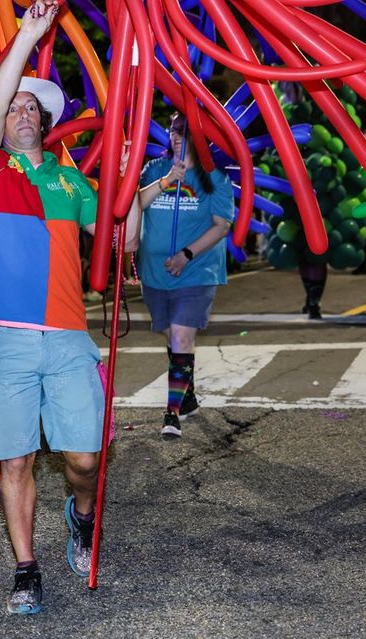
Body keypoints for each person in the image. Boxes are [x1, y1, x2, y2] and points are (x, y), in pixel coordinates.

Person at [0, 0, 139, 614]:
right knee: (13, 462)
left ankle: (81, 516)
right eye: (11, 105)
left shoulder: (72, 184)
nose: (16, 112)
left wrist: (127, 179)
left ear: (43, 121)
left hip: (68, 337)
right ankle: (25, 568)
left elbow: (125, 236)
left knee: (85, 459)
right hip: (8, 341)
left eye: (27, 107)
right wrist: (29, 35)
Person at [136, 112, 234, 438]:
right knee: (172, 336)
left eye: (184, 132)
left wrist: (186, 254)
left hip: (197, 272)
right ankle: (186, 392)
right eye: (173, 131)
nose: (177, 137)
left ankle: (171, 413)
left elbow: (222, 226)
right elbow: (137, 204)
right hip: (155, 275)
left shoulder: (214, 178)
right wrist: (167, 181)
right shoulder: (155, 169)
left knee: (181, 335)